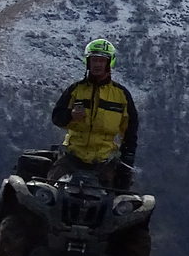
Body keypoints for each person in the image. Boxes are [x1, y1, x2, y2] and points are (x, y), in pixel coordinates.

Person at [48, 38, 139, 188]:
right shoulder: (75, 90)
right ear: (88, 62)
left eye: (102, 61)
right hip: (72, 157)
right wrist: (71, 115)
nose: (97, 64)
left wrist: (127, 158)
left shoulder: (121, 95)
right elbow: (56, 118)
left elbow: (131, 130)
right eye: (94, 60)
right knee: (50, 189)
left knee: (119, 195)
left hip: (104, 161)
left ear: (109, 63)